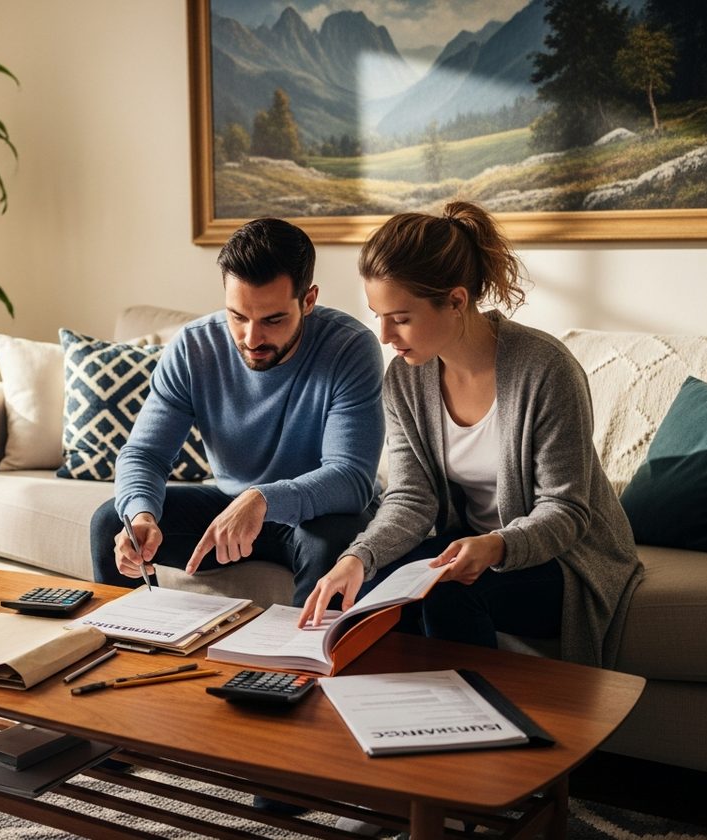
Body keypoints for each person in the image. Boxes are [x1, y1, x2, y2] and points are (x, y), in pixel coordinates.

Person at [298, 201, 642, 669]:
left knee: (447, 597)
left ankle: (479, 732)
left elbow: (565, 511)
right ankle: (381, 722)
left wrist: (496, 545)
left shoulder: (545, 370)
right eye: (378, 315)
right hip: (471, 546)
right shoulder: (404, 379)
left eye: (400, 317)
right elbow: (410, 498)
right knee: (367, 594)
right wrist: (358, 557)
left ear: (457, 301)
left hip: (566, 559)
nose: (384, 335)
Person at [90, 217, 385, 608]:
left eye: (273, 320)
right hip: (230, 506)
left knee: (333, 541)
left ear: (308, 300)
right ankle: (134, 644)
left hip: (318, 516)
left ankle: (301, 666)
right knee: (113, 521)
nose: (251, 339)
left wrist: (262, 499)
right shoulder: (193, 348)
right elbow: (146, 454)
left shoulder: (349, 348)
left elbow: (351, 479)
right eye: (238, 316)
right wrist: (141, 515)